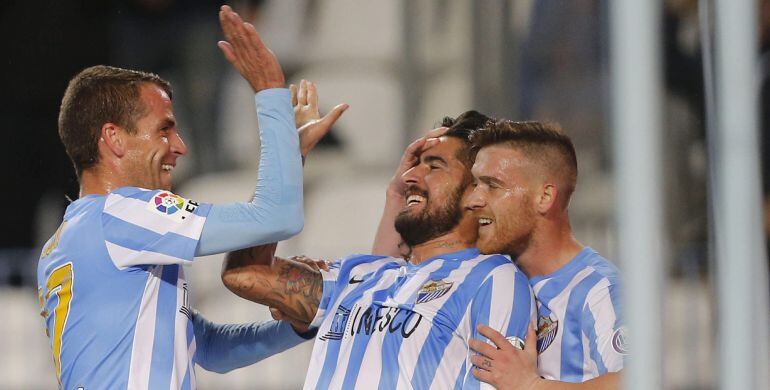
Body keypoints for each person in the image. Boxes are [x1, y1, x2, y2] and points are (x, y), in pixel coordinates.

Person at [36, 6, 346, 388]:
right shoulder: (124, 216)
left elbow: (208, 349)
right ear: (113, 138)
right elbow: (276, 216)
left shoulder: (76, 237)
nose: (180, 147)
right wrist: (269, 91)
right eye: (164, 130)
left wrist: (298, 326)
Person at [221, 111, 536, 389]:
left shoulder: (493, 280)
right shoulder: (359, 273)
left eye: (434, 166)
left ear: (476, 190)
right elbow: (246, 273)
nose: (410, 175)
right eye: (414, 166)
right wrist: (289, 159)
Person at [464, 120, 624, 389]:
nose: (474, 200)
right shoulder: (493, 280)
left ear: (544, 197)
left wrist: (531, 386)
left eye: (492, 185)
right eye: (475, 185)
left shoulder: (600, 290)